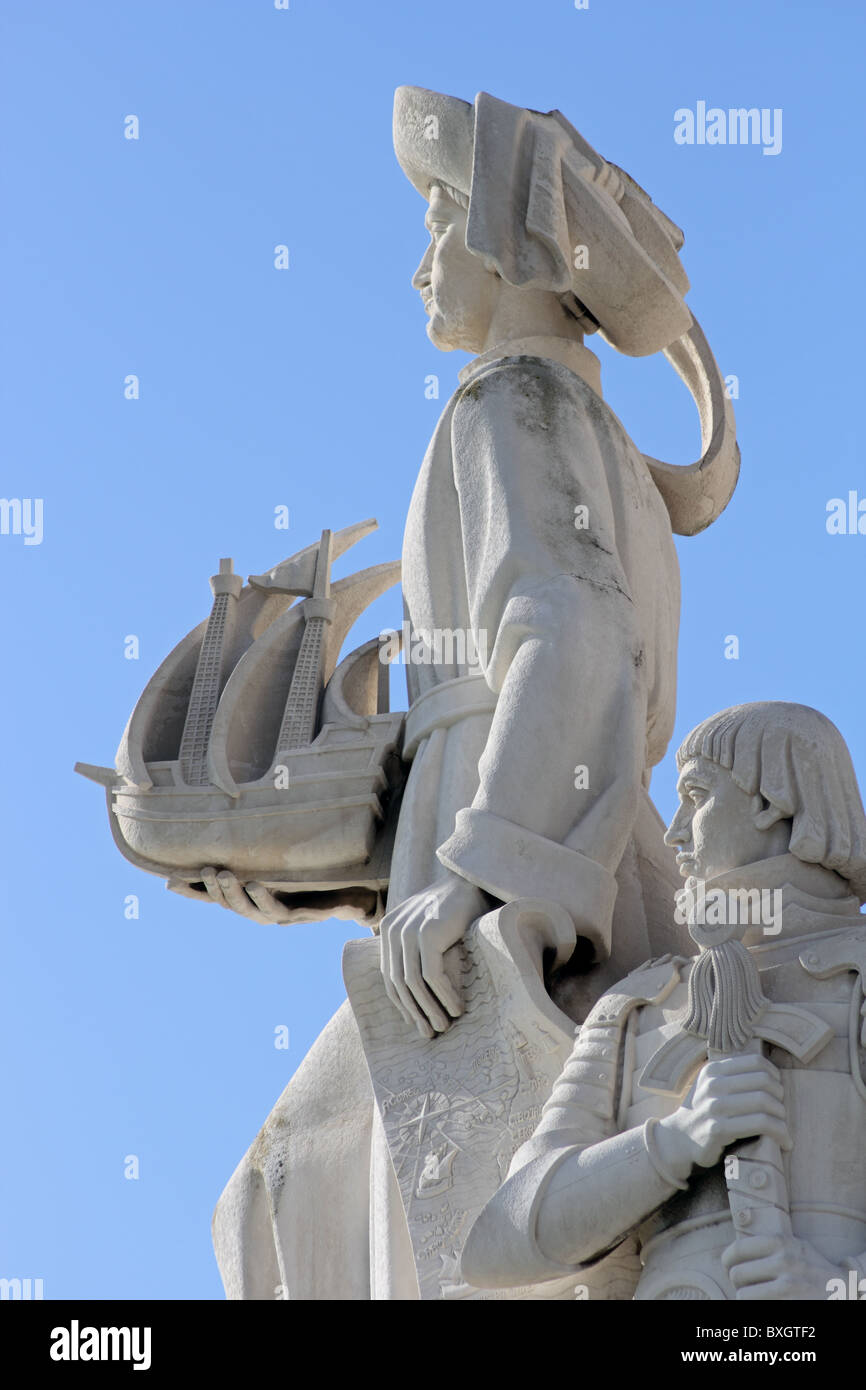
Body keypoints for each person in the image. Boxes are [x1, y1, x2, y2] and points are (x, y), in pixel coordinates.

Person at [210, 87, 738, 1300]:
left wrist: (476, 875)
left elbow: (575, 634)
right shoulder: (590, 431)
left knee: (287, 1190)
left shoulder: (509, 398)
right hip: (550, 827)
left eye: (435, 227)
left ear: (504, 239)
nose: (417, 272)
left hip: (516, 857)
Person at [462, 702, 866, 1301]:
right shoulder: (637, 1007)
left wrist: (841, 1285)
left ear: (769, 802)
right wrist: (677, 1139)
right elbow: (501, 1245)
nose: (674, 831)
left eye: (697, 796)